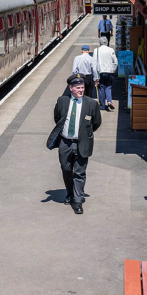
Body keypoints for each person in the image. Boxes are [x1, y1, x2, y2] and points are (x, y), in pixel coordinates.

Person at [47, 73, 103, 214]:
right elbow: (57, 118)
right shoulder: (62, 101)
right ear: (71, 88)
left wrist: (84, 133)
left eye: (82, 87)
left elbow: (96, 123)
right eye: (78, 88)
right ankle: (70, 193)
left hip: (82, 143)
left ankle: (78, 201)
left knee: (79, 172)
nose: (81, 90)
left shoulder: (91, 103)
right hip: (65, 143)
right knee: (66, 169)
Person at [93, 38, 119, 111]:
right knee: (108, 87)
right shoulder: (111, 50)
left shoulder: (96, 50)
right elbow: (115, 62)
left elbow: (94, 64)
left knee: (101, 88)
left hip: (100, 72)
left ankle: (102, 105)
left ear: (100, 43)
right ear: (107, 43)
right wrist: (113, 70)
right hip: (109, 72)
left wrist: (95, 77)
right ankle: (109, 101)